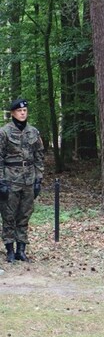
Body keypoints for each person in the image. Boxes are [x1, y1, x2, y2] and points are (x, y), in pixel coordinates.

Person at [0, 99, 44, 263]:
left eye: (25, 110)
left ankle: (21, 250)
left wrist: (38, 179)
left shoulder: (33, 132)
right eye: (19, 111)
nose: (23, 113)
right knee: (9, 215)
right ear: (13, 113)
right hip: (10, 179)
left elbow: (39, 156)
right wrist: (1, 181)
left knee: (25, 215)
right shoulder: (4, 132)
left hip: (29, 179)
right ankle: (10, 250)